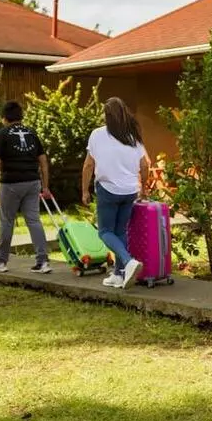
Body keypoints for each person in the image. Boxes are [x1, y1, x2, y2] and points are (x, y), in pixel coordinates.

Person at [81, 97, 148, 289]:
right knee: (120, 232)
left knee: (105, 232)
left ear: (107, 116)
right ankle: (118, 275)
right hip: (130, 191)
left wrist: (84, 190)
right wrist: (143, 188)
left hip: (108, 190)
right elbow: (144, 165)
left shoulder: (97, 134)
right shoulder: (132, 137)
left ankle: (128, 262)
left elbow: (88, 165)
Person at [0, 101, 52, 274]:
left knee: (6, 221)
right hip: (32, 182)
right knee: (34, 220)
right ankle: (42, 261)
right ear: (21, 116)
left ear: (4, 117)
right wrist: (45, 186)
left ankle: (0, 261)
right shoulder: (31, 133)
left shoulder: (2, 133)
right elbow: (43, 160)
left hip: (11, 183)